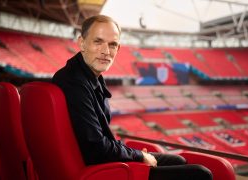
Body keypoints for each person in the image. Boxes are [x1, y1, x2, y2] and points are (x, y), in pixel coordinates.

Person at [52, 15, 212, 180]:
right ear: (82, 43)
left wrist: (132, 154)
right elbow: (96, 148)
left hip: (96, 160)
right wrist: (138, 156)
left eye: (112, 45)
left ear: (118, 49)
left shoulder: (88, 76)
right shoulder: (74, 82)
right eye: (98, 41)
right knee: (200, 174)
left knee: (178, 159)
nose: (106, 51)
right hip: (95, 170)